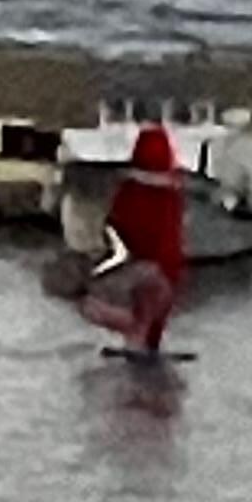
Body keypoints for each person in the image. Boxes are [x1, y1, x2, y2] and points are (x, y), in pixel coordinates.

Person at [80, 123, 187, 355]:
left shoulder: (128, 190)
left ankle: (134, 333)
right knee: (150, 315)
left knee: (92, 304)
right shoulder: (173, 194)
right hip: (164, 272)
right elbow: (173, 243)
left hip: (135, 266)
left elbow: (114, 229)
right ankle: (144, 339)